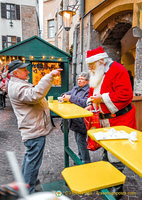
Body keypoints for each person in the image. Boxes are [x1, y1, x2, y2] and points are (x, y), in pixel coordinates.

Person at [86, 46, 136, 199]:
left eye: (91, 65)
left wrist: (101, 99)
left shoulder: (118, 70)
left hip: (120, 119)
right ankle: (108, 178)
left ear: (101, 61)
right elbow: (92, 91)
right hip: (105, 119)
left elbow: (125, 94)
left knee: (117, 153)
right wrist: (90, 103)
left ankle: (117, 186)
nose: (90, 69)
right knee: (107, 150)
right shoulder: (97, 72)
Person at [7, 60, 62, 194]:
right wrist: (49, 76)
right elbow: (35, 95)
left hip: (33, 129)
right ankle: (28, 190)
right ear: (16, 73)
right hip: (33, 131)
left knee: (30, 159)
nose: (27, 72)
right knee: (33, 162)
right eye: (24, 70)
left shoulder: (18, 84)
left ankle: (25, 183)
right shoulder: (16, 86)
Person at [62, 72, 91, 164]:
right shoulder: (76, 88)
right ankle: (81, 158)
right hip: (75, 119)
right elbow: (68, 93)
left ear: (88, 81)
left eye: (82, 79)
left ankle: (85, 161)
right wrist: (64, 95)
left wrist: (70, 98)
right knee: (78, 140)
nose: (79, 81)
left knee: (81, 141)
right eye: (78, 79)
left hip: (82, 120)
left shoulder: (89, 91)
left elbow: (85, 102)